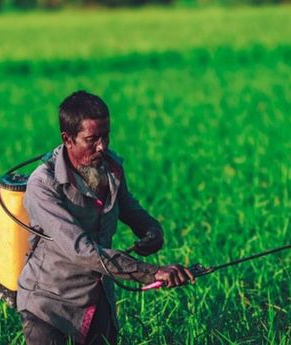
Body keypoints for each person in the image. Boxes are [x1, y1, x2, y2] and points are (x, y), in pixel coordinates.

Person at [17, 90, 195, 345]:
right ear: (67, 139)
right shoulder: (43, 185)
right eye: (92, 139)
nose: (102, 146)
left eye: (106, 136)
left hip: (97, 298)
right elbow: (82, 251)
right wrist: (152, 272)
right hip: (49, 305)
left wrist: (152, 230)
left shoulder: (110, 166)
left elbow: (128, 207)